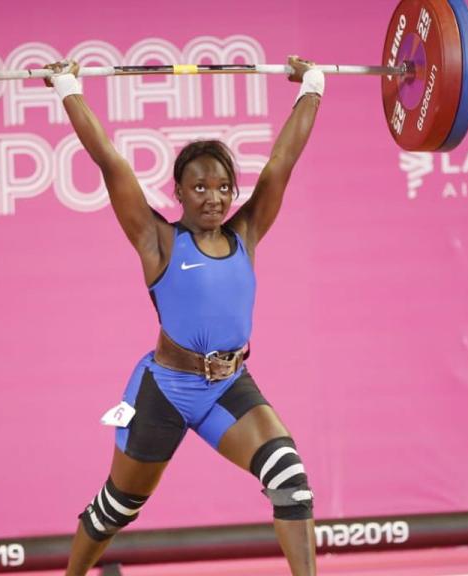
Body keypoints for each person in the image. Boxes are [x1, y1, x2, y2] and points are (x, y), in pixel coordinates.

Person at [44, 55, 323, 576]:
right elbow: (110, 162)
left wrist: (312, 86)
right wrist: (66, 88)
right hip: (165, 389)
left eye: (222, 187)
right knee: (117, 508)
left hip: (229, 385)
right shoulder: (160, 241)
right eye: (200, 187)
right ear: (179, 192)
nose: (213, 198)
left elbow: (282, 162)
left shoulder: (247, 232)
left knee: (290, 479)